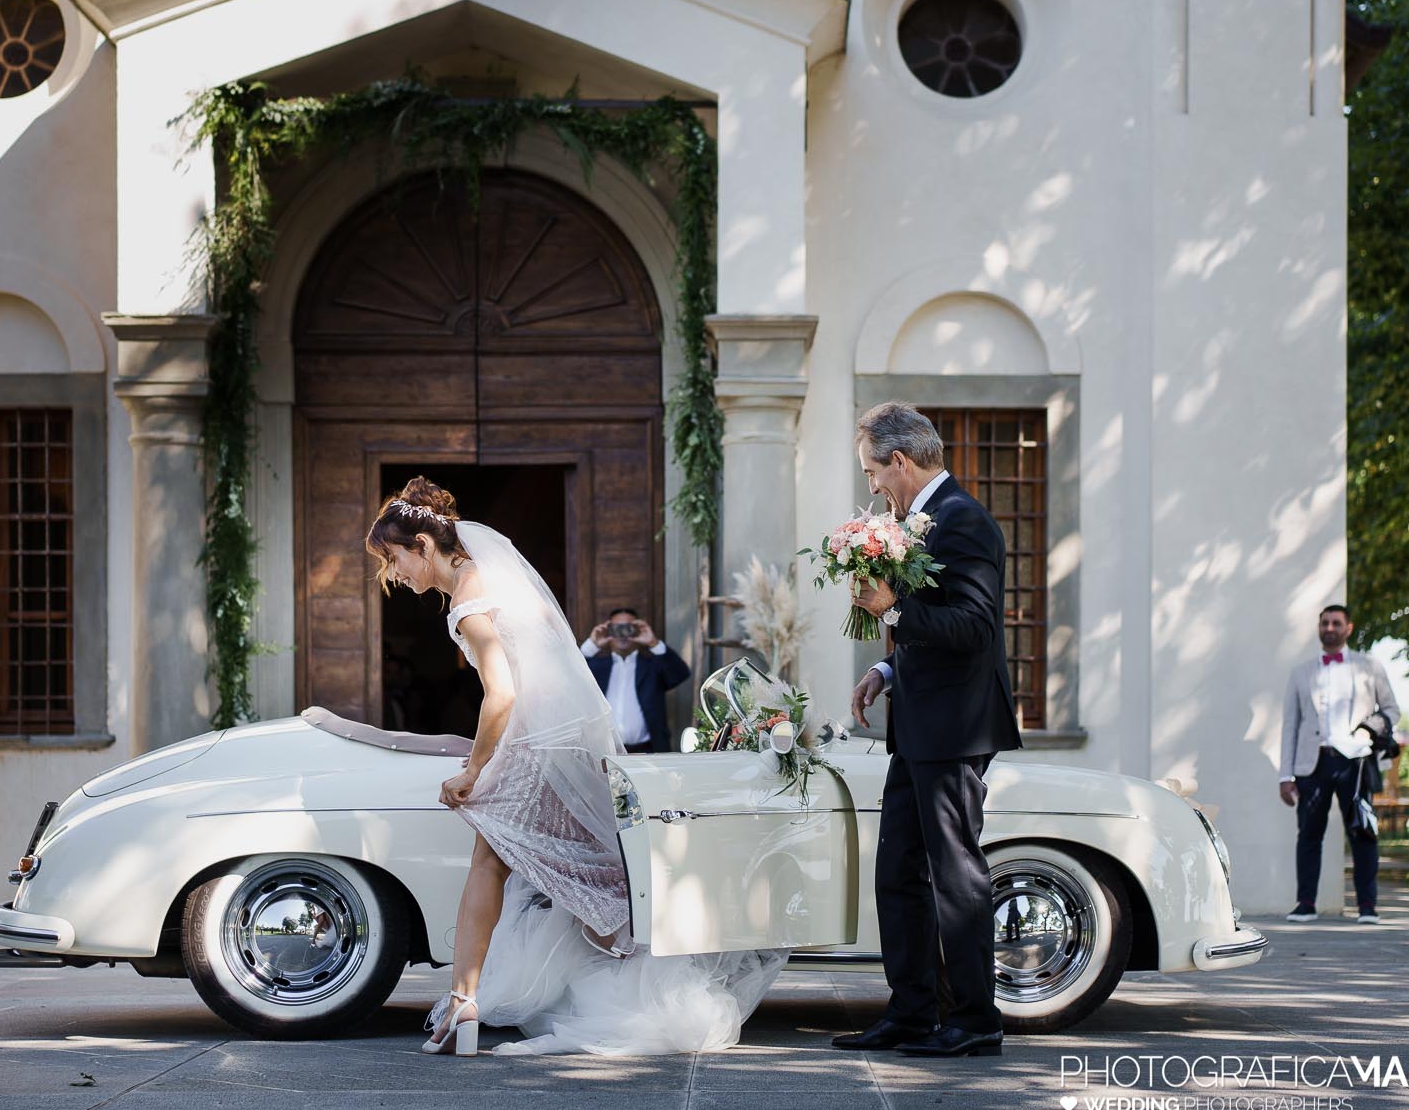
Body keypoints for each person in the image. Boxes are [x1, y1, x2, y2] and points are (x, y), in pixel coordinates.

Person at [366, 477, 784, 1056]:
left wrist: (472, 770)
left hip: (532, 746)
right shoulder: (490, 579)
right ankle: (491, 991)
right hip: (556, 742)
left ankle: (472, 1000)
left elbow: (503, 693)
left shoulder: (466, 598)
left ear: (423, 544)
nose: (395, 575)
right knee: (560, 865)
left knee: (507, 864)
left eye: (395, 559)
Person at [835, 403, 1022, 1058]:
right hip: (918, 719)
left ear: (901, 461)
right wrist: (885, 666)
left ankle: (975, 1018)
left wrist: (895, 608)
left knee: (956, 874)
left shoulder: (965, 521)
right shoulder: (917, 522)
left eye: (873, 471)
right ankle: (912, 1012)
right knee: (898, 871)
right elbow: (934, 623)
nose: (872, 487)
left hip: (957, 725)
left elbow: (974, 627)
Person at [1277, 605, 1399, 924]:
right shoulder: (1301, 672)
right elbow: (1290, 725)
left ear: (1348, 628)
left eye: (1336, 623)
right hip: (1311, 764)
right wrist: (1285, 775)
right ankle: (1305, 904)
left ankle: (1367, 907)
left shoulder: (1369, 666)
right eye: (1324, 623)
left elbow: (1391, 710)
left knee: (1362, 833)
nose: (1329, 628)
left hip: (1355, 762)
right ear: (1319, 628)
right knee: (1308, 836)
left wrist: (1368, 730)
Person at [580, 608, 690, 753]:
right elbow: (568, 676)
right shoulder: (596, 667)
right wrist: (591, 646)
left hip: (648, 750)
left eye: (628, 628)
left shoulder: (653, 666)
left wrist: (653, 643)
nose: (623, 634)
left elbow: (680, 674)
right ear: (608, 631)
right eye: (617, 628)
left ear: (637, 630)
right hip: (605, 751)